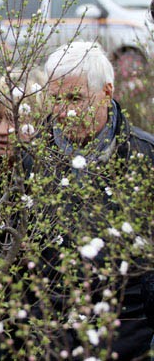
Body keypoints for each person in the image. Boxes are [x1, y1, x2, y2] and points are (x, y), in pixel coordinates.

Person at [39, 41, 154, 358]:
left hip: (129, 340)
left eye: (75, 98)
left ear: (107, 92)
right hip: (51, 339)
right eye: (56, 100)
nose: (64, 112)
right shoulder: (31, 158)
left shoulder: (145, 157)